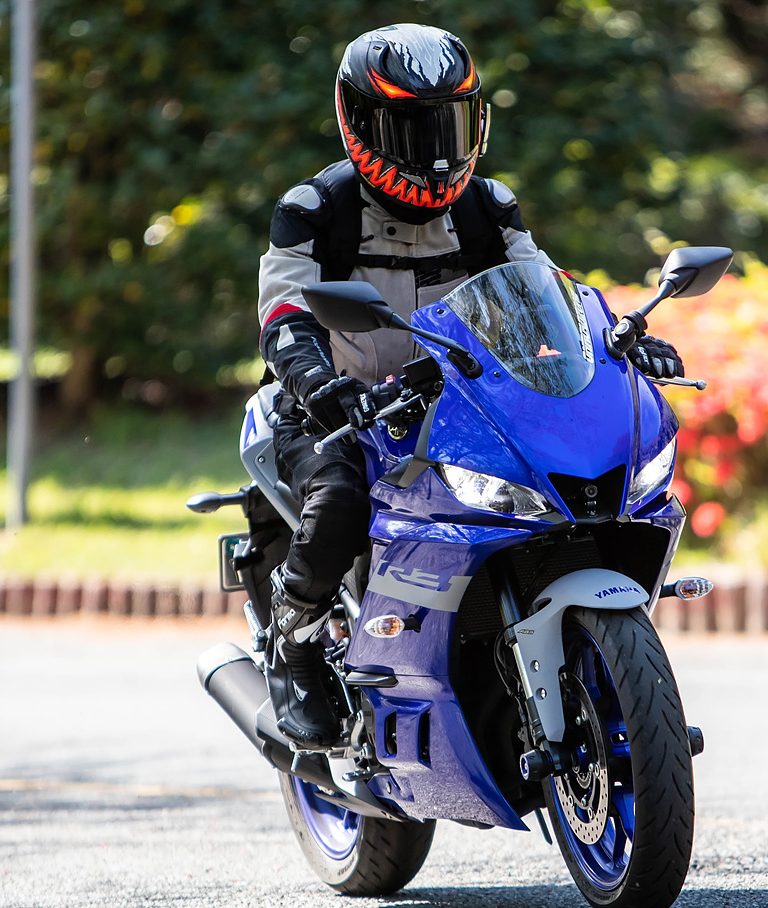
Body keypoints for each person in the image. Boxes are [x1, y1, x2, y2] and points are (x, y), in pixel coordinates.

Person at [256, 23, 686, 749]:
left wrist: (620, 339)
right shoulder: (315, 209)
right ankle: (293, 642)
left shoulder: (489, 207)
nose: (434, 152)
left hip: (456, 406)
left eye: (448, 125)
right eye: (410, 129)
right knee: (340, 502)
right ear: (359, 122)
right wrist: (322, 387)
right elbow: (286, 314)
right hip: (340, 407)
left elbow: (547, 291)